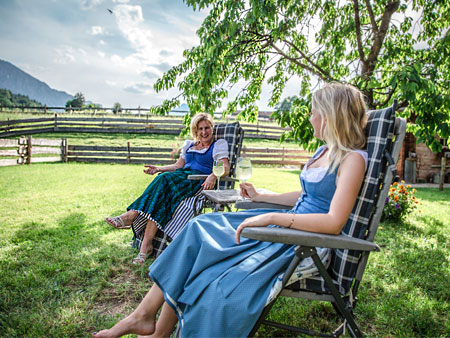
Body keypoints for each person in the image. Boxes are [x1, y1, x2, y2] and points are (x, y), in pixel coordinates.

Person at [92, 83, 369, 338]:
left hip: (302, 241)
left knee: (208, 273)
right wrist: (262, 195)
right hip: (286, 225)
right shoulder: (323, 152)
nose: (310, 118)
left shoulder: (353, 159)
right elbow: (305, 195)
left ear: (331, 116)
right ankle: (146, 318)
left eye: (314, 113)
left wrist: (273, 216)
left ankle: (151, 324)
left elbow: (333, 221)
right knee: (197, 228)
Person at [105, 113, 230, 264]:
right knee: (160, 196)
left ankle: (131, 215)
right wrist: (158, 168)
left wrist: (213, 176)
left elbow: (225, 167)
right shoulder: (190, 145)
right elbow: (178, 166)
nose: (204, 132)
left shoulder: (218, 145)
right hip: (180, 178)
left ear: (212, 128)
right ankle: (146, 247)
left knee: (163, 179)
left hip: (196, 182)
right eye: (200, 129)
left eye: (207, 128)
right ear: (195, 131)